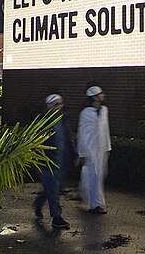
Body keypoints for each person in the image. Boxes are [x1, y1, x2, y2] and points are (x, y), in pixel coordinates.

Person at [33, 93, 74, 229]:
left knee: (53, 188)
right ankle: (56, 217)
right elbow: (37, 143)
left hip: (61, 160)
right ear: (49, 106)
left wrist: (74, 154)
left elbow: (68, 139)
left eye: (59, 104)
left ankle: (38, 203)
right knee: (54, 189)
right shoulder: (43, 122)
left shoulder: (63, 120)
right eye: (55, 104)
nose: (58, 107)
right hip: (48, 162)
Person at [77, 84, 111, 214]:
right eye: (100, 94)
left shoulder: (104, 111)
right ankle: (94, 205)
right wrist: (82, 153)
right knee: (92, 176)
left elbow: (106, 130)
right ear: (95, 97)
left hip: (101, 150)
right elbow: (82, 133)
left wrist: (107, 147)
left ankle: (99, 203)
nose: (103, 95)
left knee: (100, 176)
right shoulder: (85, 113)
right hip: (90, 150)